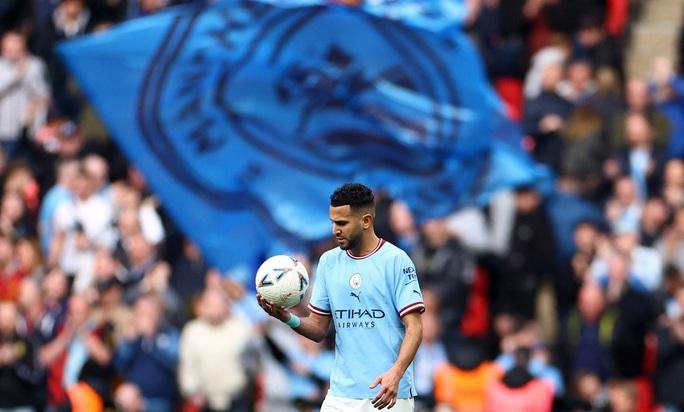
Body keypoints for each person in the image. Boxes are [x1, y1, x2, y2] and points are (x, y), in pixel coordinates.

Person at [257, 183, 425, 411]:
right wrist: (286, 317)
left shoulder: (396, 261)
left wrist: (396, 373)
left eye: (342, 223)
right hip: (341, 395)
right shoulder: (328, 262)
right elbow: (317, 329)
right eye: (333, 222)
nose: (335, 229)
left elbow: (415, 327)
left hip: (388, 393)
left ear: (366, 221)